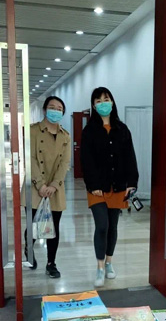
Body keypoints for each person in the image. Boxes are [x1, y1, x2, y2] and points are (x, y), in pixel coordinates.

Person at [80, 87, 139, 288]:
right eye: (98, 101)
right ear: (94, 105)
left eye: (106, 99)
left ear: (112, 102)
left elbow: (130, 157)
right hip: (97, 188)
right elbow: (86, 161)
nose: (103, 103)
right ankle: (99, 267)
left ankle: (109, 263)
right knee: (102, 226)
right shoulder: (89, 131)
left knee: (113, 227)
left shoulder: (122, 129)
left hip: (118, 186)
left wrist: (132, 183)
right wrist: (93, 185)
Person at [22, 96, 71, 278]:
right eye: (52, 107)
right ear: (44, 110)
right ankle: (29, 249)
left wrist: (54, 185)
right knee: (34, 224)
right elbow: (30, 158)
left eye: (59, 108)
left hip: (55, 188)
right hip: (35, 184)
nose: (55, 111)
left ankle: (51, 263)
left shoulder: (65, 136)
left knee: (53, 227)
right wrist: (40, 184)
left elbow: (65, 163)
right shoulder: (33, 131)